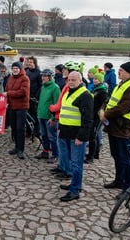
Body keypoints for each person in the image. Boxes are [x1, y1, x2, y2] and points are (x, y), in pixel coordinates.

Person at [100, 61, 130, 200]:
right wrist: (102, 108)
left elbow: (123, 108)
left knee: (126, 158)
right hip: (114, 126)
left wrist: (105, 114)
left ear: (128, 72)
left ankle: (127, 188)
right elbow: (110, 99)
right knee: (116, 155)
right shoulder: (121, 84)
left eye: (121, 70)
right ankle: (119, 180)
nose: (119, 72)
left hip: (124, 127)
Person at [58, 71, 93, 202]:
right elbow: (64, 112)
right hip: (65, 133)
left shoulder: (85, 96)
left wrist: (82, 137)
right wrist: (60, 129)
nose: (71, 82)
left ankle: (75, 190)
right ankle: (73, 183)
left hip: (76, 136)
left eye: (73, 80)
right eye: (69, 80)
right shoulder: (68, 92)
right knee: (70, 162)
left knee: (76, 164)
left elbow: (88, 119)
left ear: (80, 80)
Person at [49, 60, 79, 180]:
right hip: (62, 119)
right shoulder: (67, 85)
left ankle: (67, 170)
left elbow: (60, 104)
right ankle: (62, 166)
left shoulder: (68, 86)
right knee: (62, 146)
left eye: (65, 70)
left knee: (65, 148)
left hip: (66, 121)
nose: (63, 72)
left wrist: (52, 108)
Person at [3, 62, 30, 159]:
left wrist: (9, 94)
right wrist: (6, 101)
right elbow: (6, 89)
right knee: (14, 128)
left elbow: (23, 92)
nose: (15, 70)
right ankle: (16, 147)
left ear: (20, 68)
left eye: (16, 68)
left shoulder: (25, 79)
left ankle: (20, 150)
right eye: (13, 68)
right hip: (12, 107)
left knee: (20, 129)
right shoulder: (10, 78)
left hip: (21, 107)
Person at [35, 69, 60, 162]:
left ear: (50, 77)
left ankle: (55, 154)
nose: (43, 78)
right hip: (42, 115)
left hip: (50, 117)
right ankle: (45, 152)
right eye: (42, 76)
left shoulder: (55, 88)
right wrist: (38, 114)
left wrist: (53, 118)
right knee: (44, 135)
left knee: (52, 137)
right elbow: (41, 102)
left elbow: (57, 104)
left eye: (45, 76)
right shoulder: (43, 87)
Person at [85, 71, 108, 164]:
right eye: (94, 79)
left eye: (96, 79)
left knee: (92, 136)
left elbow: (102, 106)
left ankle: (91, 157)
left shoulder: (102, 91)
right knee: (95, 136)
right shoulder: (96, 89)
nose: (94, 80)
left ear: (101, 80)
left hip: (97, 116)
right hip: (93, 115)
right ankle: (95, 153)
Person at [25, 56, 42, 137]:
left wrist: (36, 96)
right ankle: (28, 131)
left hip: (34, 98)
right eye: (28, 62)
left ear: (34, 63)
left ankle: (36, 131)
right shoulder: (27, 72)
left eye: (31, 62)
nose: (29, 64)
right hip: (27, 96)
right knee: (27, 115)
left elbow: (41, 86)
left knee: (35, 115)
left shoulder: (38, 73)